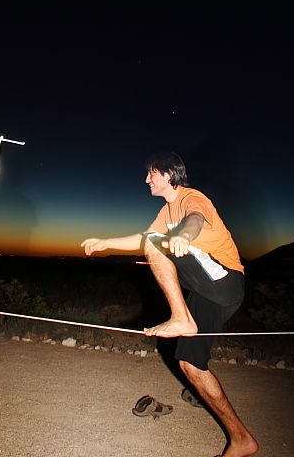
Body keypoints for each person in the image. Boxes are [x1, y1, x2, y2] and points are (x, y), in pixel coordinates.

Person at [81, 151, 258, 457]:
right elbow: (145, 235)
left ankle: (180, 317)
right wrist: (106, 242)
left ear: (168, 174)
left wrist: (185, 237)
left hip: (225, 279)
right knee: (190, 364)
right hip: (208, 294)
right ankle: (242, 440)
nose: (146, 179)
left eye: (151, 173)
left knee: (155, 243)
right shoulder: (166, 212)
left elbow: (195, 220)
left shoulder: (191, 197)